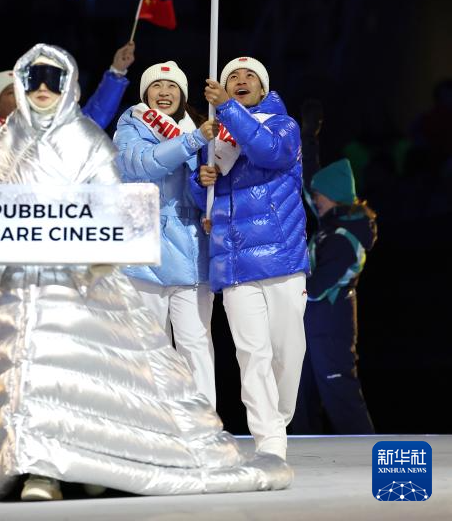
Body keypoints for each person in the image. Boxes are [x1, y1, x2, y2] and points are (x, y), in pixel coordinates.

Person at [0, 44, 292, 502]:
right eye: (34, 80)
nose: (42, 89)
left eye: (52, 80)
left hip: (75, 281)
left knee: (79, 374)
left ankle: (102, 459)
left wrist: (200, 190)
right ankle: (31, 464)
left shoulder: (89, 139)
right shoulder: (9, 141)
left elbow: (111, 200)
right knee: (24, 372)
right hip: (21, 285)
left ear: (66, 86)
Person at [192, 56, 308, 460]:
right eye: (232, 78)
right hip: (234, 261)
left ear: (262, 88)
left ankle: (280, 416)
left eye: (249, 77)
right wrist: (201, 182)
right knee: (252, 355)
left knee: (288, 353)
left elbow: (269, 152)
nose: (241, 81)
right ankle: (270, 438)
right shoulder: (215, 137)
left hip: (282, 258)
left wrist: (227, 107)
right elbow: (204, 199)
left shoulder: (283, 125)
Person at [114, 60, 217, 408]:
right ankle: (149, 424)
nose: (164, 92)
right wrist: (193, 140)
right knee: (147, 348)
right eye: (156, 86)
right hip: (145, 252)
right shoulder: (132, 123)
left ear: (182, 94)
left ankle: (204, 423)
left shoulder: (202, 129)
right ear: (145, 93)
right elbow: (140, 164)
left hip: (194, 252)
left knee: (196, 345)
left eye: (172, 86)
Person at [0, 42, 135, 185]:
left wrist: (116, 72)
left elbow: (97, 113)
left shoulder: (78, 132)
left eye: (52, 81)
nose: (42, 88)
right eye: (10, 93)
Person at [293, 156, 376, 434]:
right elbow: (308, 184)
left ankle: (365, 454)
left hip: (331, 325)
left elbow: (316, 288)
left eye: (320, 195)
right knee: (303, 395)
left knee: (340, 396)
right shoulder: (331, 226)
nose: (315, 200)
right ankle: (305, 453)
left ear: (334, 195)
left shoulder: (344, 236)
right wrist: (307, 139)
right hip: (313, 324)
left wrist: (285, 282)